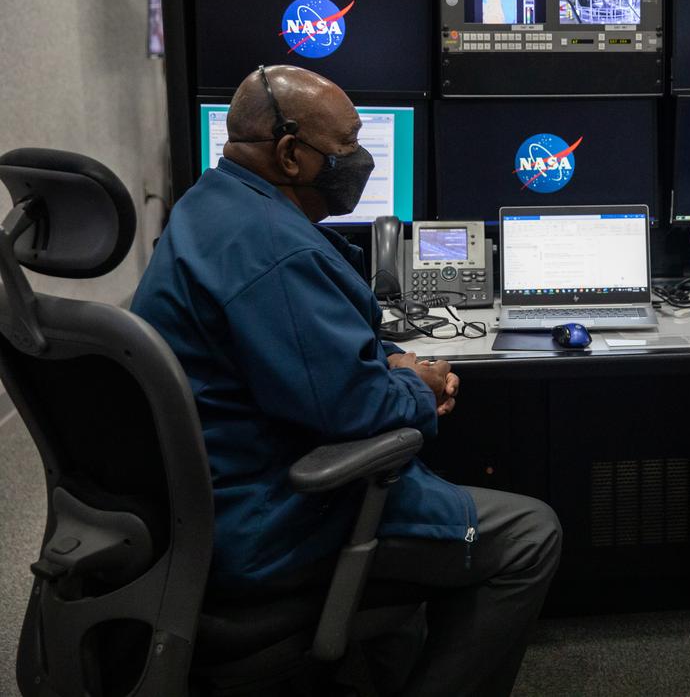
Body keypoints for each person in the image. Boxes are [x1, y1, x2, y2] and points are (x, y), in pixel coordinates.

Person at [132, 65, 560, 696]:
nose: (360, 160)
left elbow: (307, 356)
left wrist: (386, 360)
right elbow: (355, 410)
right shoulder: (280, 252)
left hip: (213, 492)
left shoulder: (211, 205)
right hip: (275, 518)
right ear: (288, 154)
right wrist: (421, 383)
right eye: (348, 146)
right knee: (530, 534)